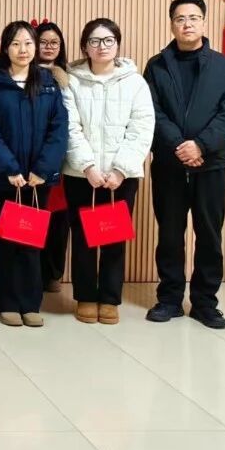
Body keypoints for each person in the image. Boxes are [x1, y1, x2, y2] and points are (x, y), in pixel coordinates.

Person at [143, 0, 225, 329]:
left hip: (210, 164)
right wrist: (179, 145)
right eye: (180, 19)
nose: (187, 24)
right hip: (169, 164)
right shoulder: (156, 65)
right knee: (170, 233)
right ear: (172, 24)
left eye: (193, 18)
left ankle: (205, 303)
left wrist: (200, 145)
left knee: (209, 234)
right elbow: (152, 112)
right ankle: (169, 299)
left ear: (203, 21)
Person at [0, 21, 68, 327]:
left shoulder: (49, 83)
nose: (23, 50)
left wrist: (42, 169)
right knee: (6, 240)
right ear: (6, 48)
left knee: (31, 239)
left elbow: (59, 129)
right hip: (4, 179)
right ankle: (7, 302)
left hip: (39, 179)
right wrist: (10, 168)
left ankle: (30, 303)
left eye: (28, 43)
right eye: (15, 44)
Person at [62, 19, 154, 325]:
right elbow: (70, 127)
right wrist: (87, 166)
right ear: (84, 46)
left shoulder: (135, 83)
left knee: (114, 237)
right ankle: (86, 296)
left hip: (121, 176)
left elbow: (141, 129)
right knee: (83, 238)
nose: (102, 47)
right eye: (94, 41)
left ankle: (110, 298)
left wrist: (120, 169)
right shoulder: (71, 81)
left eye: (108, 40)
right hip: (80, 175)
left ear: (117, 44)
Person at [36, 21, 72, 293]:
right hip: (32, 157)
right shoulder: (21, 73)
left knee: (59, 219)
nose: (49, 47)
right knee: (33, 214)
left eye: (54, 43)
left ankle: (53, 273)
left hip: (64, 157)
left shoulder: (71, 77)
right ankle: (32, 272)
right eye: (43, 42)